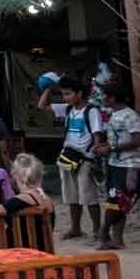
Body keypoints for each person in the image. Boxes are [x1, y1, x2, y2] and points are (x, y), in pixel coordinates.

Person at [47, 76, 105, 242]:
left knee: (89, 196)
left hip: (86, 158)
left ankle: (96, 229)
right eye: (63, 94)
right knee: (71, 195)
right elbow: (41, 106)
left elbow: (97, 133)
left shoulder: (91, 111)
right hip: (68, 157)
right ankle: (76, 228)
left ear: (79, 94)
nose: (65, 97)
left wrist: (95, 151)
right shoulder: (67, 109)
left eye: (68, 93)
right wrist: (48, 89)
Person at [101, 79, 140, 250]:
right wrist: (106, 147)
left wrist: (110, 148)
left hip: (130, 165)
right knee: (117, 201)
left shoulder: (130, 115)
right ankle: (117, 240)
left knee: (119, 200)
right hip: (117, 164)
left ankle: (105, 233)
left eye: (104, 95)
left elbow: (138, 140)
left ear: (112, 97)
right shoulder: (114, 114)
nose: (102, 98)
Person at [4, 153, 55, 223]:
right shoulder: (48, 200)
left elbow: (0, 212)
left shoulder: (15, 202)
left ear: (15, 176)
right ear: (40, 176)